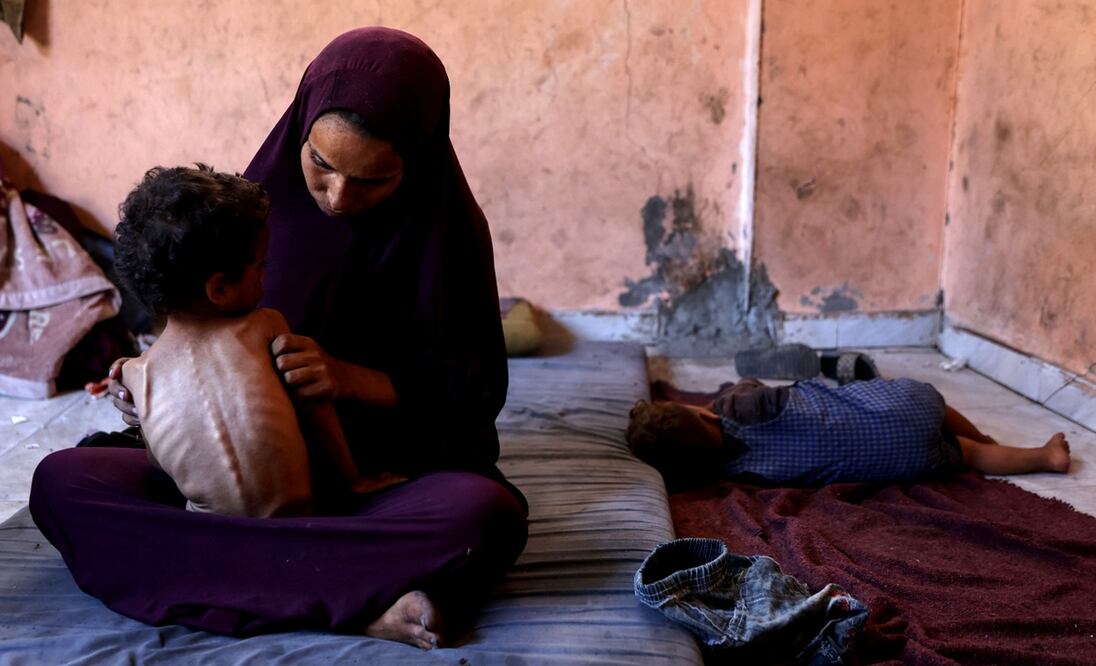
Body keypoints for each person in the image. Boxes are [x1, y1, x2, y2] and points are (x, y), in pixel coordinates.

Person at [29, 27, 527, 650]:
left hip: (379, 477)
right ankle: (351, 603)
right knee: (62, 483)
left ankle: (232, 580)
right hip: (227, 484)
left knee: (485, 516)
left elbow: (468, 402)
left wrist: (353, 381)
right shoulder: (249, 217)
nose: (338, 197)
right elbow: (187, 331)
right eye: (320, 164)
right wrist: (151, 398)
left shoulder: (448, 237)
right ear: (299, 127)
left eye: (373, 180)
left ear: (418, 161)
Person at [113, 164, 402, 517]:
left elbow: (161, 466)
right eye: (261, 266)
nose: (266, 275)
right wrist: (353, 482)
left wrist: (146, 415)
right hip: (301, 526)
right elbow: (316, 406)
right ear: (219, 288)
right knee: (467, 501)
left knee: (66, 474)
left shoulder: (137, 373)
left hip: (215, 543)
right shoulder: (265, 326)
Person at [627, 377, 1072, 491]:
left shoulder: (742, 475)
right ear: (702, 417)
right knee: (924, 401)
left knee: (968, 455)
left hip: (906, 463)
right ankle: (1001, 442)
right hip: (905, 410)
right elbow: (750, 385)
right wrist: (717, 404)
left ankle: (1038, 458)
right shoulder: (737, 407)